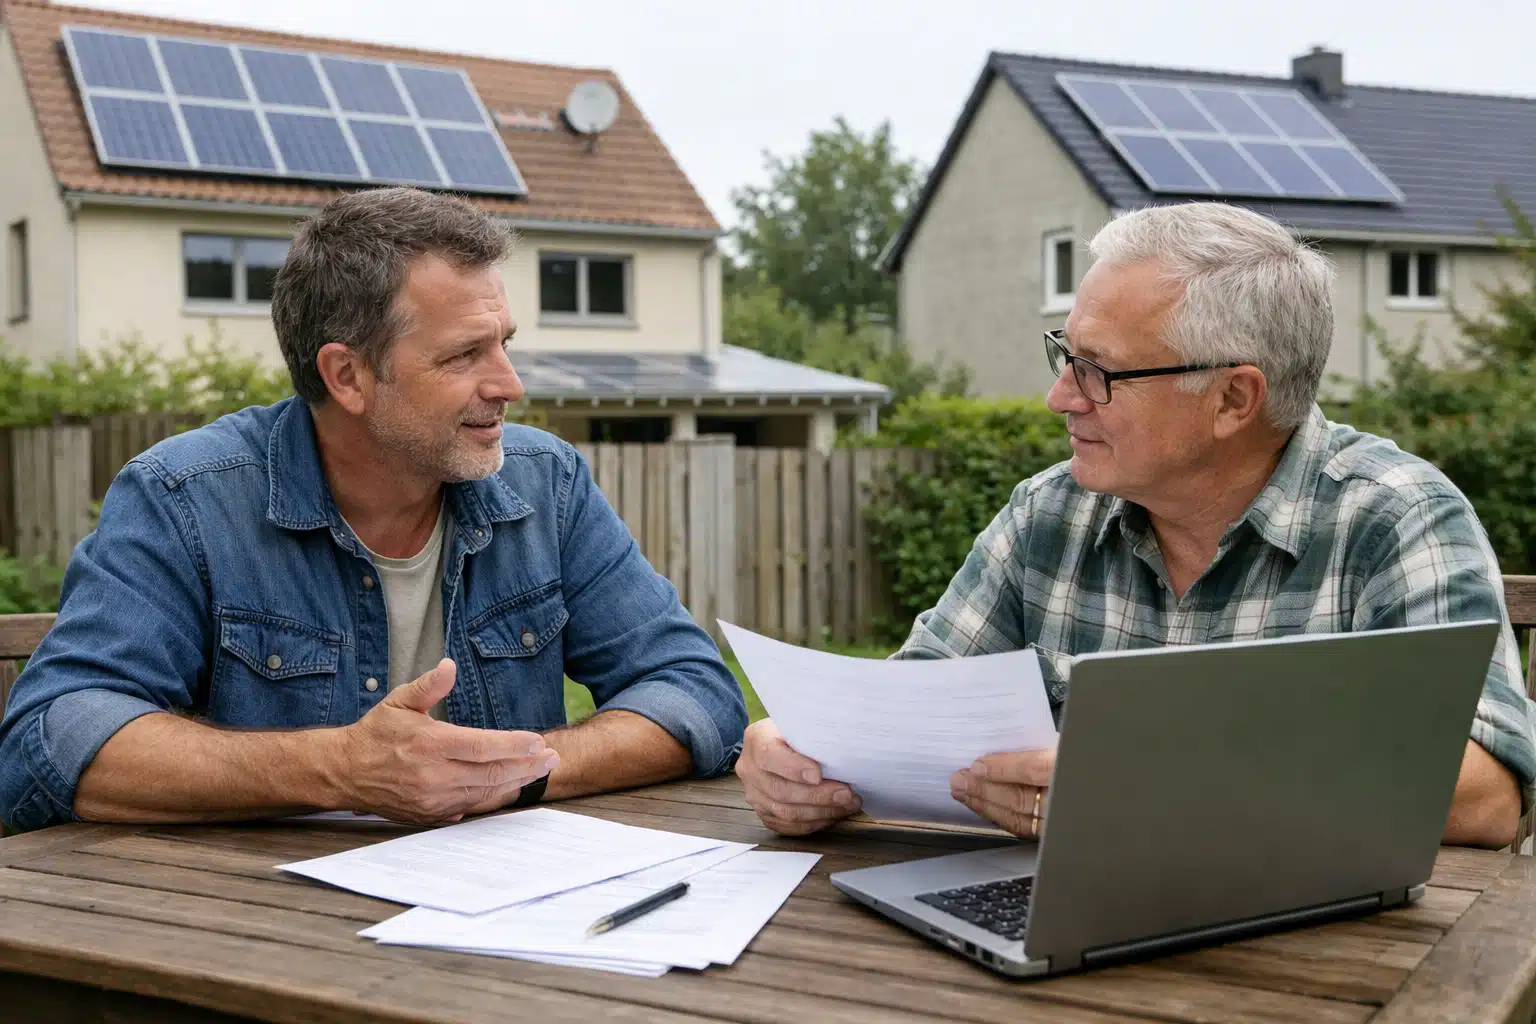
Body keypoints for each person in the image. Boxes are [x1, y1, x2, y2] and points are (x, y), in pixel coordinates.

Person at [736, 202, 1536, 849]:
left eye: (1101, 370)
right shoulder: (1048, 515)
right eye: (1066, 354)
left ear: (1233, 398)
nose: (1061, 397)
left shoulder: (1394, 519)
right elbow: (906, 704)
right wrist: (799, 752)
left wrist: (1150, 787)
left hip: (1313, 960)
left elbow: (1487, 790)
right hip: (1048, 934)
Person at [0, 187, 746, 833]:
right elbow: (53, 737)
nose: (509, 383)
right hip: (248, 934)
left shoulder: (547, 485)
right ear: (348, 376)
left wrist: (519, 771)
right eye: (464, 356)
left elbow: (696, 691)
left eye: (504, 344)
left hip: (499, 923)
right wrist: (341, 770)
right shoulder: (183, 498)